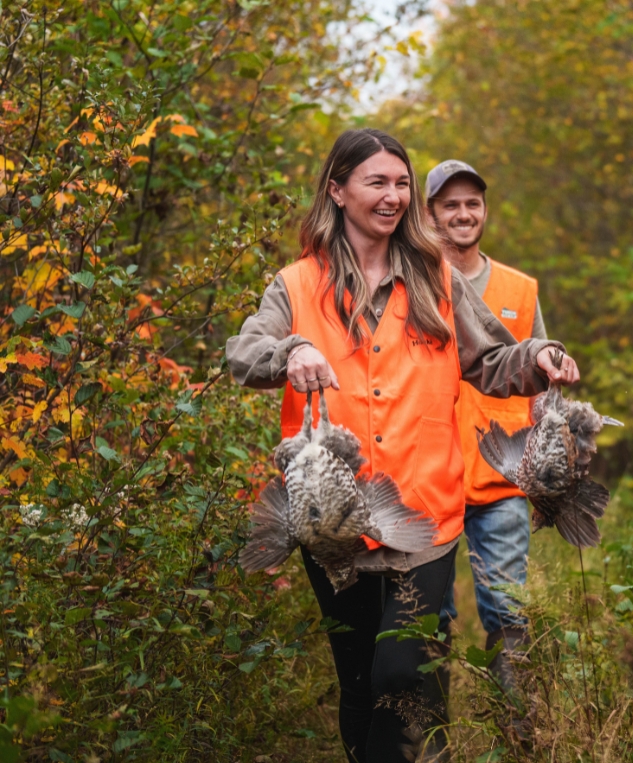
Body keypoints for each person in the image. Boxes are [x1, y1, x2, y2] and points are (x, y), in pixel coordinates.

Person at [226, 129, 580, 763]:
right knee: (360, 681)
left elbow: (494, 359)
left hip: (424, 513)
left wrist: (540, 356)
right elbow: (244, 354)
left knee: (399, 672)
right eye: (376, 183)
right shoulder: (297, 284)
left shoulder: (434, 276)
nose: (393, 197)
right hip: (330, 519)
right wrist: (292, 349)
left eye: (401, 184)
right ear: (337, 190)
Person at [424, 159, 546, 689]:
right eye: (450, 205)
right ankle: (430, 733)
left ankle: (517, 728)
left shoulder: (521, 288)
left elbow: (539, 381)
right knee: (430, 618)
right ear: (428, 216)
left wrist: (545, 470)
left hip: (503, 481)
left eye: (472, 203)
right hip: (431, 479)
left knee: (508, 613)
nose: (463, 214)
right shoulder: (416, 284)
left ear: (485, 211)